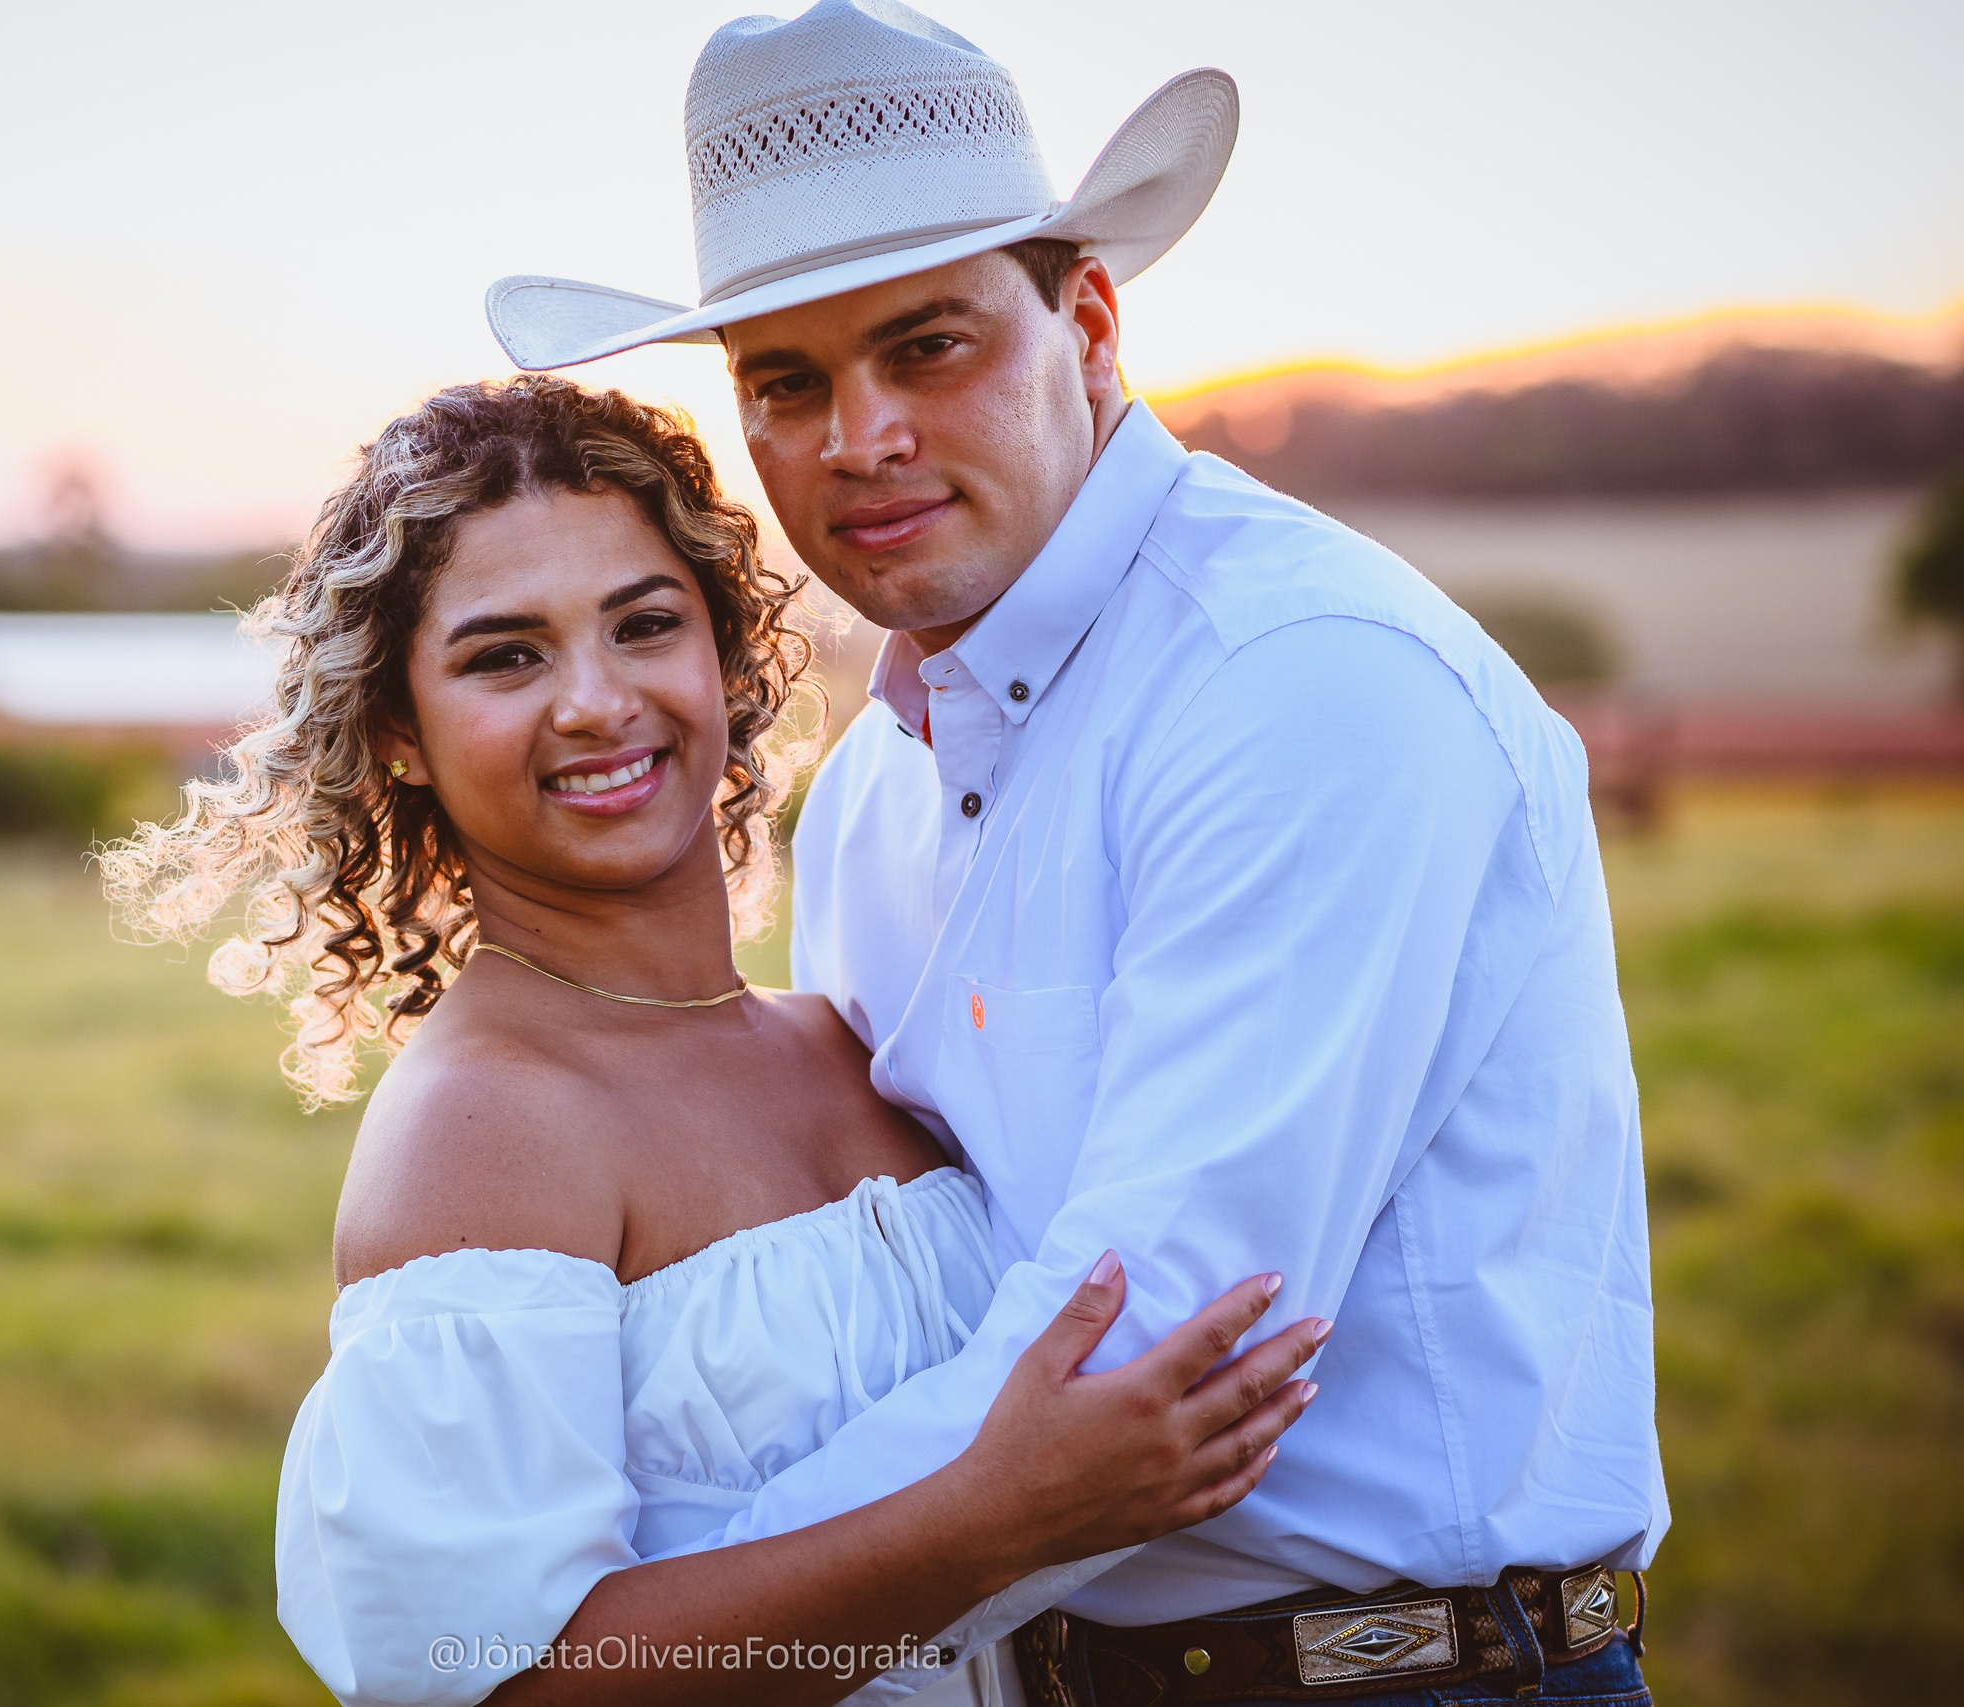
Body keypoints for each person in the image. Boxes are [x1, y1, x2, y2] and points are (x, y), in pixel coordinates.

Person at [484, 4, 1668, 1705]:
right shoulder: (873, 794)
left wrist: (635, 1647)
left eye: (928, 347)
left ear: (1090, 324)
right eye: (786, 382)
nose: (858, 438)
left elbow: (1146, 1351)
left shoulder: (1295, 684)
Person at [102, 377, 1327, 1706]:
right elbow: (498, 1689)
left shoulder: (851, 1041)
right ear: (400, 731)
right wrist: (988, 1521)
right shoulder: (485, 1127)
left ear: (726, 657)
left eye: (645, 626)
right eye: (506, 657)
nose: (596, 702)